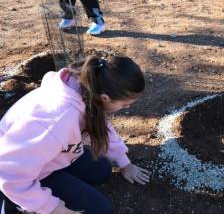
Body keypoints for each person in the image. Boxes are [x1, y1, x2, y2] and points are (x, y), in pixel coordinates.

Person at [0, 56, 149, 213]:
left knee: (102, 171)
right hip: (15, 171)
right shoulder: (57, 122)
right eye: (125, 105)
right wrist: (55, 208)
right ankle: (11, 203)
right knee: (100, 210)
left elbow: (102, 126)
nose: (126, 108)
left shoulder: (88, 89)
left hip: (48, 155)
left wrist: (124, 163)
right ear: (106, 98)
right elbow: (9, 173)